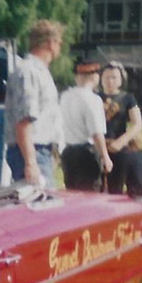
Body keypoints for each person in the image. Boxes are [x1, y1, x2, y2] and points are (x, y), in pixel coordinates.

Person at [4, 20, 64, 188]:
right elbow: (24, 120)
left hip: (42, 151)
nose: (60, 47)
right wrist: (31, 163)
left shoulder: (42, 72)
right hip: (31, 151)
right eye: (59, 42)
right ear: (51, 43)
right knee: (40, 208)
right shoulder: (28, 72)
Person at [100, 61, 142, 212]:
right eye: (107, 77)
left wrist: (121, 142)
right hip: (99, 143)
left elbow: (137, 124)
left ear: (121, 80)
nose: (110, 81)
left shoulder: (128, 99)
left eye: (114, 77)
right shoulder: (95, 97)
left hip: (119, 145)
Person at [59, 59, 112, 191]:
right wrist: (105, 156)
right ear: (95, 76)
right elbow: (96, 132)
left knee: (72, 193)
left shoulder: (65, 96)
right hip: (86, 154)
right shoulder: (93, 99)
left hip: (68, 152)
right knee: (90, 194)